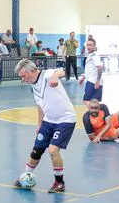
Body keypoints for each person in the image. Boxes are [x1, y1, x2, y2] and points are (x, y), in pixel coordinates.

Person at [13, 59, 76, 193]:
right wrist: (39, 124)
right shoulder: (33, 86)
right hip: (49, 121)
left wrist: (54, 77)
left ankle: (59, 183)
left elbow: (61, 71)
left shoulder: (47, 75)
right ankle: (25, 176)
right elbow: (40, 106)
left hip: (65, 120)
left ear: (33, 71)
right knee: (37, 150)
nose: (23, 79)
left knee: (53, 150)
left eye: (24, 76)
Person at [79, 38, 103, 108]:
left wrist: (97, 81)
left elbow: (100, 67)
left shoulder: (94, 55)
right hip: (94, 80)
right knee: (95, 102)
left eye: (90, 45)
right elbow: (90, 69)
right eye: (87, 45)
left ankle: (94, 115)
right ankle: (98, 116)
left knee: (86, 100)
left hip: (92, 82)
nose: (88, 47)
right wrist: (83, 77)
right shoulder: (91, 55)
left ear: (95, 46)